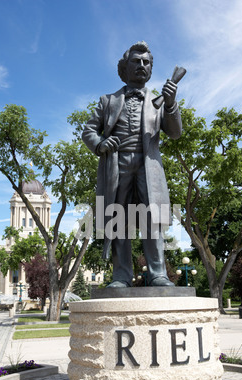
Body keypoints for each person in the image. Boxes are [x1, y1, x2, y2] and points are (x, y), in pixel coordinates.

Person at [82, 41, 182, 287]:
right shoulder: (107, 101)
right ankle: (121, 276)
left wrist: (170, 104)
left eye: (146, 62)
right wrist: (101, 144)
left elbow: (175, 132)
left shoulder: (159, 101)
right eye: (136, 61)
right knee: (118, 220)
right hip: (117, 165)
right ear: (124, 68)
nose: (142, 65)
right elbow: (88, 131)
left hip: (149, 166)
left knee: (152, 219)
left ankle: (158, 273)